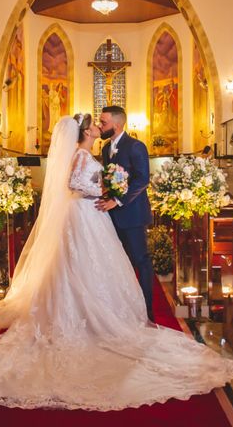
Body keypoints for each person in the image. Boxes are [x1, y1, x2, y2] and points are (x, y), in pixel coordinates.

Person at [0, 114, 233, 410]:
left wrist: (109, 190)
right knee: (79, 263)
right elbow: (74, 183)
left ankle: (108, 311)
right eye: (94, 123)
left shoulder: (97, 151)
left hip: (91, 214)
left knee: (92, 264)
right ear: (85, 132)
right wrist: (104, 189)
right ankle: (87, 317)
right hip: (84, 213)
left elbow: (102, 179)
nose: (98, 125)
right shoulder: (83, 154)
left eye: (101, 121)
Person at [97, 106, 154, 321]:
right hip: (110, 215)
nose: (100, 126)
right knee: (118, 261)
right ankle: (125, 306)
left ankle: (147, 309)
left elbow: (142, 179)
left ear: (117, 125)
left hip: (133, 214)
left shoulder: (136, 146)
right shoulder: (105, 149)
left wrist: (118, 200)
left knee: (141, 260)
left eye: (104, 122)